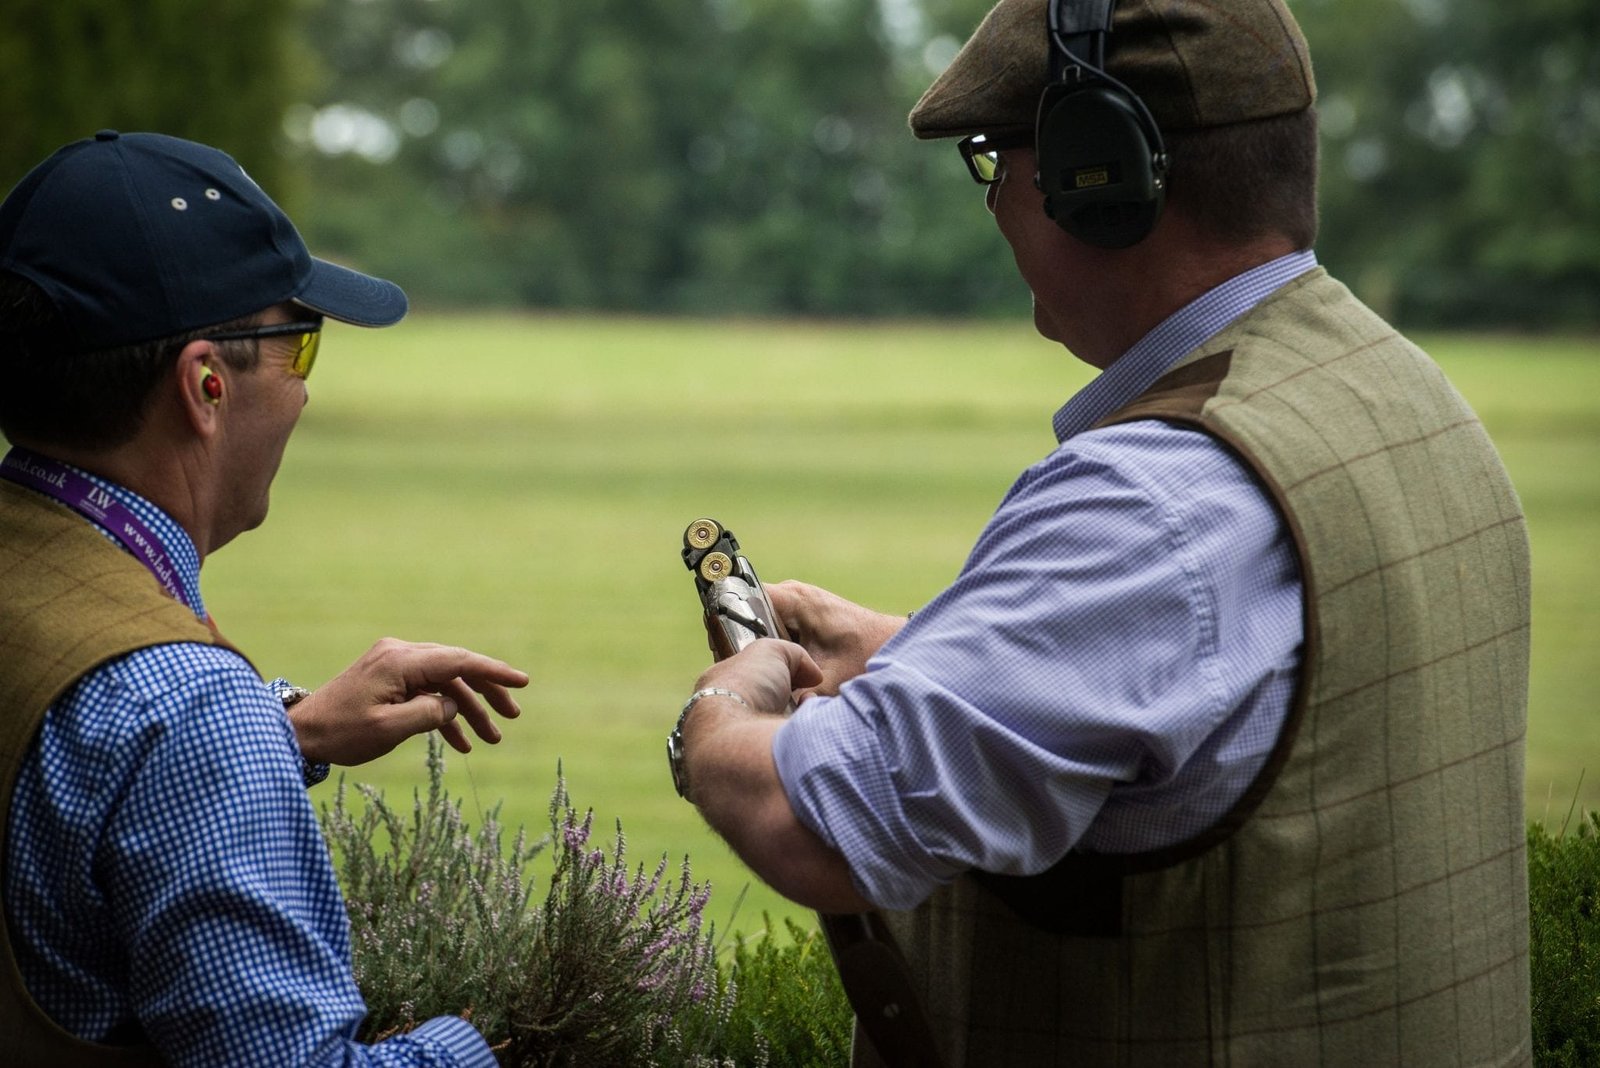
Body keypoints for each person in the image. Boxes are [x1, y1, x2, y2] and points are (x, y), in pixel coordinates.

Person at [670, 0, 1532, 1064]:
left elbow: (820, 823)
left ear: (1098, 173)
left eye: (996, 159)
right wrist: (914, 658)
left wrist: (720, 710)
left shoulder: (1151, 500)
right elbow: (1229, 692)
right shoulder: (1399, 395)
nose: (992, 204)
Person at [0, 131, 530, 1066]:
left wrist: (288, 732)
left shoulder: (147, 706)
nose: (303, 397)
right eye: (302, 347)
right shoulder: (184, 712)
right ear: (206, 384)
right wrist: (491, 1038)